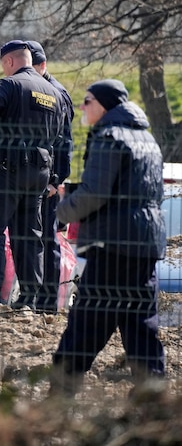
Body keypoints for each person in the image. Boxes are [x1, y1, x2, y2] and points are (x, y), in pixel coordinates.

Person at [50, 80, 166, 396]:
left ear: (102, 104)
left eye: (87, 101)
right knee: (141, 325)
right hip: (145, 245)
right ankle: (154, 400)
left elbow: (95, 193)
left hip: (110, 246)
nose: (83, 107)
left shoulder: (109, 136)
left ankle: (57, 399)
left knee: (86, 323)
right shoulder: (147, 140)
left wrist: (60, 212)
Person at [0, 40, 65, 313]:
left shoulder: (9, 85)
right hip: (40, 172)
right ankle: (29, 300)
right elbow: (58, 133)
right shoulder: (52, 91)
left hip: (10, 167)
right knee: (29, 234)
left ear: (9, 62)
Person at [26, 41, 75, 312]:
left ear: (42, 66)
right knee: (33, 239)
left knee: (47, 240)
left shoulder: (56, 92)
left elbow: (64, 142)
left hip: (48, 181)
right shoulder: (32, 88)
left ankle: (47, 305)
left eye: (30, 67)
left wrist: (57, 180)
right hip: (33, 177)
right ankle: (34, 301)